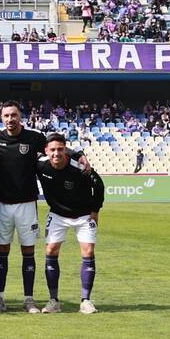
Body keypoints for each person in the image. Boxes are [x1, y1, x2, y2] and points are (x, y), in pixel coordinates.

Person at [0, 100, 88, 314]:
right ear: (1, 117)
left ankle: (29, 299)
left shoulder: (34, 137)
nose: (10, 119)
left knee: (28, 251)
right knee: (2, 251)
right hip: (2, 204)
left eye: (14, 115)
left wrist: (79, 155)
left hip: (27, 204)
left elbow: (57, 147)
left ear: (20, 116)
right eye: (6, 116)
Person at [36, 134, 104, 314]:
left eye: (60, 149)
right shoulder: (41, 166)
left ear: (65, 150)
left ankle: (86, 301)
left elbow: (99, 185)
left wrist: (95, 210)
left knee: (88, 251)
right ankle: (53, 301)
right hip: (58, 215)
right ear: (46, 151)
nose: (56, 153)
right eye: (52, 150)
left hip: (83, 215)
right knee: (50, 250)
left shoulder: (80, 167)